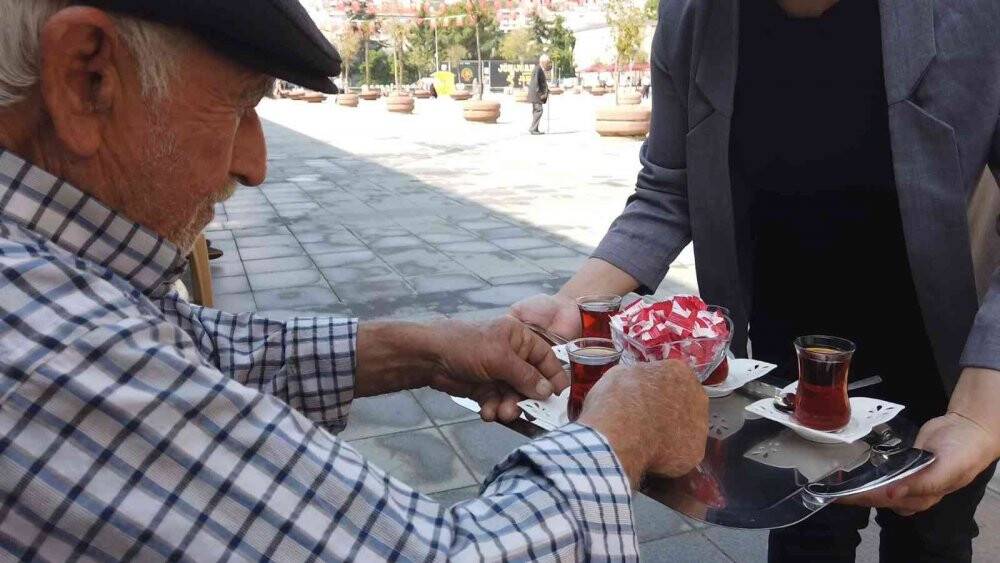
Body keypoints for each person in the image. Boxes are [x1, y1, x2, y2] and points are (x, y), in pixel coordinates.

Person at [0, 0, 711, 560]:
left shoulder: (55, 280)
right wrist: (623, 434)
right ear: (86, 79)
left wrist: (427, 349)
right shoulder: (42, 345)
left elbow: (191, 351)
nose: (255, 164)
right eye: (239, 106)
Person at [512, 0, 1000, 561]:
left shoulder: (974, 15)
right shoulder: (692, 21)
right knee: (803, 537)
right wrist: (575, 305)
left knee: (932, 538)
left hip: (939, 365)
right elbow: (670, 189)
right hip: (779, 378)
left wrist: (979, 414)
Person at [527, 54, 551, 135]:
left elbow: (540, 82)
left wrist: (547, 90)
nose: (547, 64)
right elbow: (535, 83)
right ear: (543, 62)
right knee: (538, 111)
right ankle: (533, 128)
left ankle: (535, 129)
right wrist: (540, 94)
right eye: (547, 62)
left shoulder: (539, 68)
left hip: (536, 95)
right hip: (536, 95)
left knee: (536, 111)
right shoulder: (538, 69)